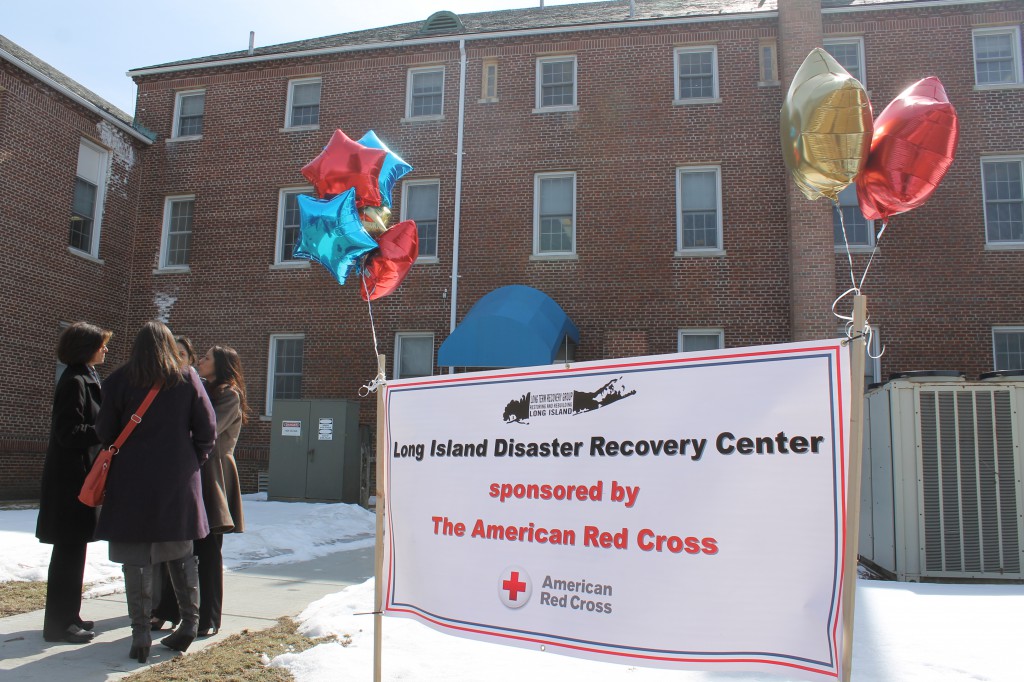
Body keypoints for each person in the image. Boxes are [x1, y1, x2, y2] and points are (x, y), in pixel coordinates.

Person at [94, 321, 216, 662]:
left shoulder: (118, 380)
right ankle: (189, 626)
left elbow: (104, 431)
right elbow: (207, 429)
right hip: (177, 479)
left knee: (135, 558)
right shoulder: (187, 378)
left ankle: (141, 635)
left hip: (130, 479)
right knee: (180, 551)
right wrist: (191, 460)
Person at [151, 345, 248, 638]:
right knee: (178, 545)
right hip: (190, 471)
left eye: (206, 358)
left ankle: (209, 617)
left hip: (213, 475)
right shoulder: (198, 387)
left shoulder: (229, 394)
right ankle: (168, 610)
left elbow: (208, 429)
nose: (200, 361)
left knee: (207, 550)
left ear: (220, 365)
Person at [36, 322, 111, 644]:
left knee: (74, 553)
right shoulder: (74, 382)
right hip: (70, 483)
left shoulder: (86, 378)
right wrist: (105, 429)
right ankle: (58, 625)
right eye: (102, 344)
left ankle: (70, 615)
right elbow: (68, 433)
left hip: (78, 480)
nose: (106, 349)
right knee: (67, 554)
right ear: (86, 348)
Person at [148, 334, 199, 633]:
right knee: (158, 551)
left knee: (180, 550)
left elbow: (206, 432)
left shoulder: (193, 386)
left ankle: (183, 615)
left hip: (185, 475)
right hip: (159, 478)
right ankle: (157, 608)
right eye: (173, 352)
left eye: (183, 353)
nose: (178, 358)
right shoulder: (157, 385)